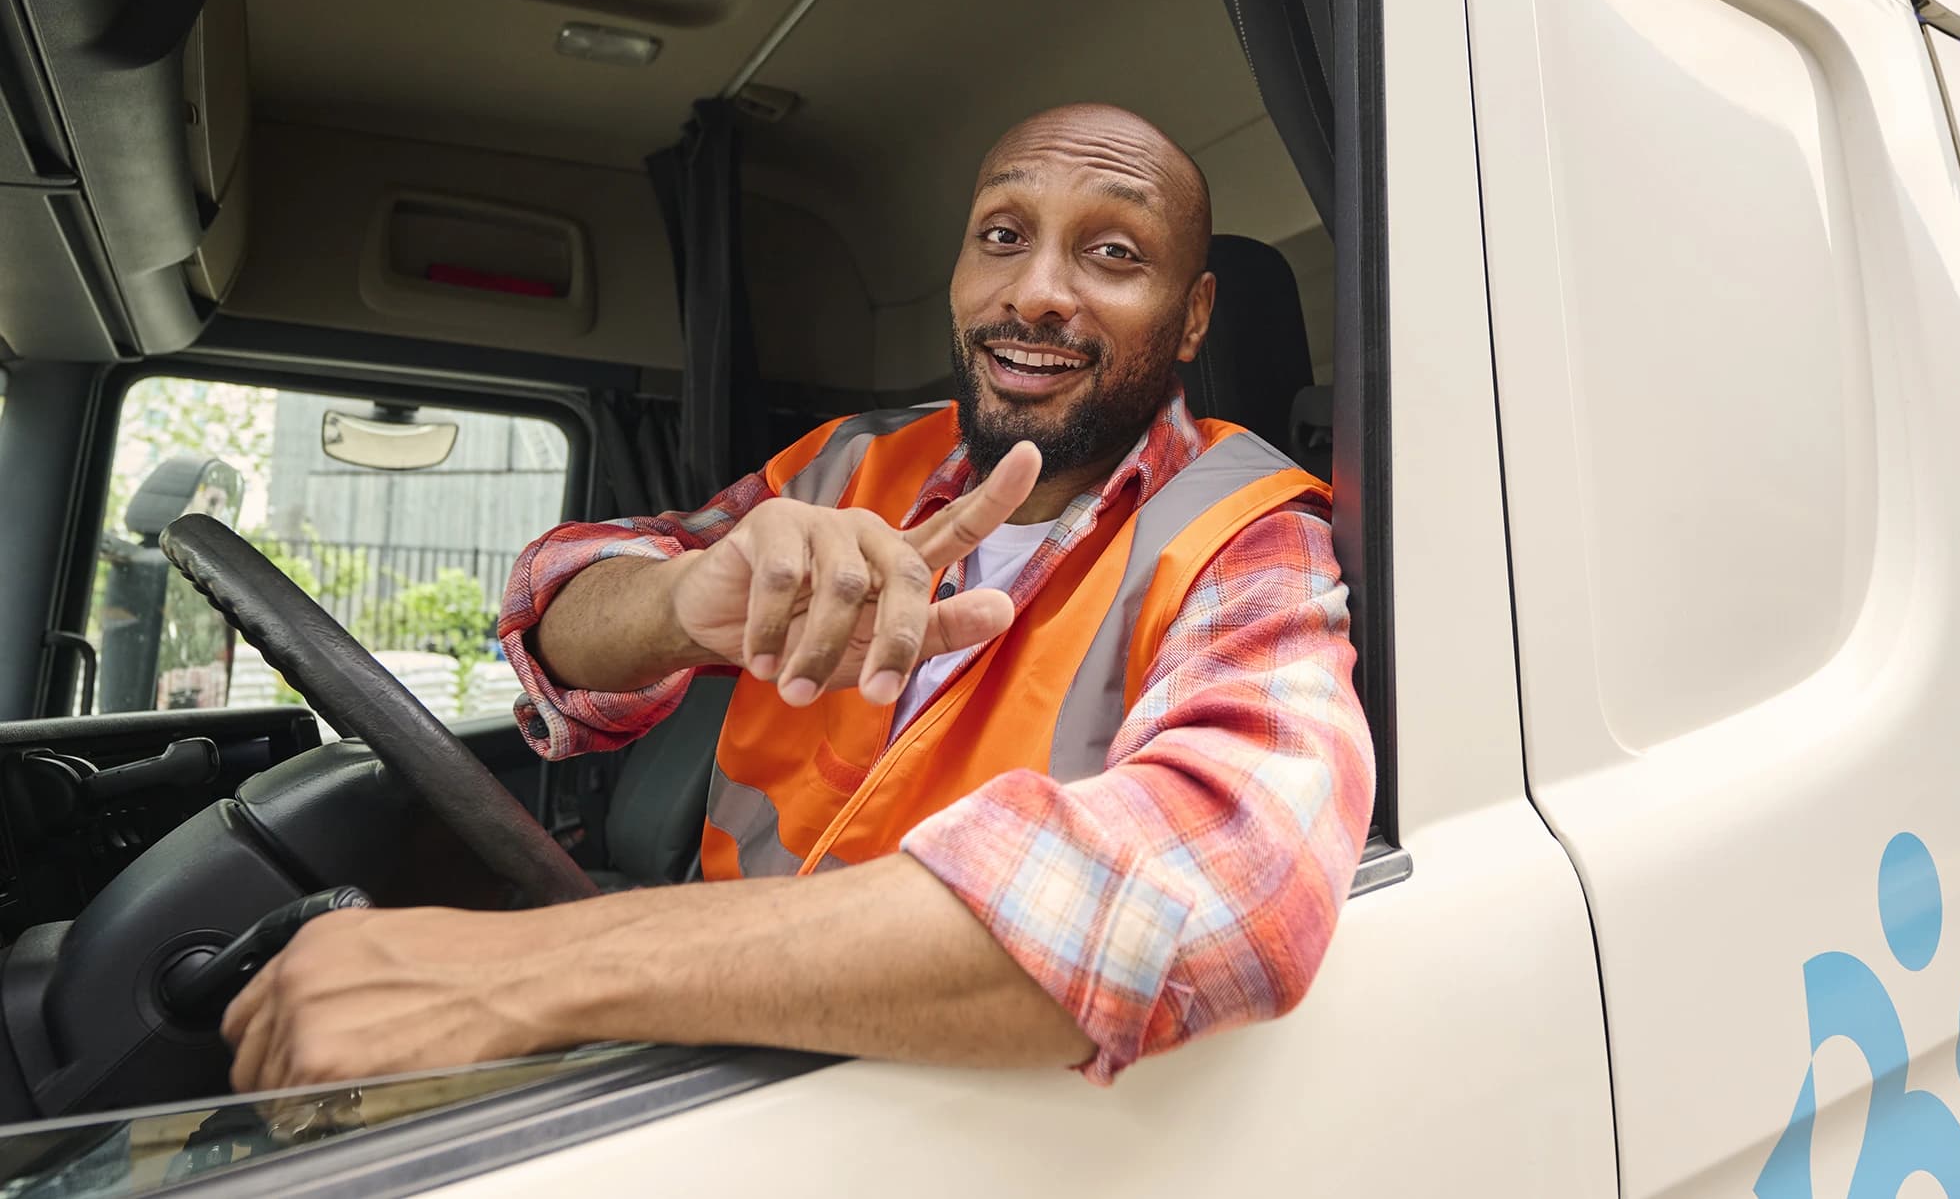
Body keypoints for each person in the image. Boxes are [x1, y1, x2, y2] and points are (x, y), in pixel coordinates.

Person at [221, 104, 1374, 1092]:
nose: (1035, 294)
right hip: (726, 1050)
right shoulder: (850, 461)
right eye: (1003, 237)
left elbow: (1225, 891)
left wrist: (529, 973)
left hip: (947, 1100)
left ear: (1192, 314)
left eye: (1112, 255)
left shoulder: (1250, 529)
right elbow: (554, 609)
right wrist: (679, 602)